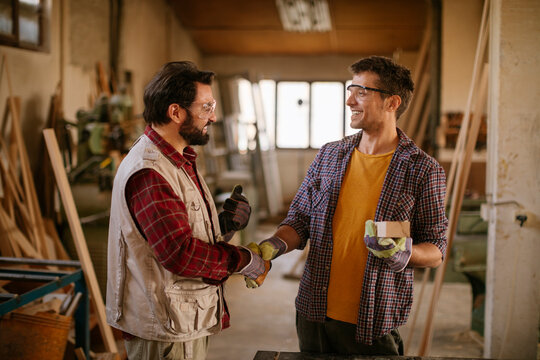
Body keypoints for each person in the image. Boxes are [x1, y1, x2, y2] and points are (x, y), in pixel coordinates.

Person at [249, 56, 448, 355]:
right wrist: (273, 246)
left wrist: (406, 253)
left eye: (362, 92)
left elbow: (436, 248)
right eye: (349, 90)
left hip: (373, 320)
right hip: (312, 314)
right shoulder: (330, 156)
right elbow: (299, 219)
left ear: (392, 103)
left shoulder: (422, 170)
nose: (349, 101)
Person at [106, 61, 269, 360]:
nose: (214, 116)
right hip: (163, 327)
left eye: (213, 105)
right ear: (176, 112)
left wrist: (224, 224)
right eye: (206, 107)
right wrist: (242, 259)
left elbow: (179, 232)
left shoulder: (177, 159)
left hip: (179, 319)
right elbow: (179, 253)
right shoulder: (150, 171)